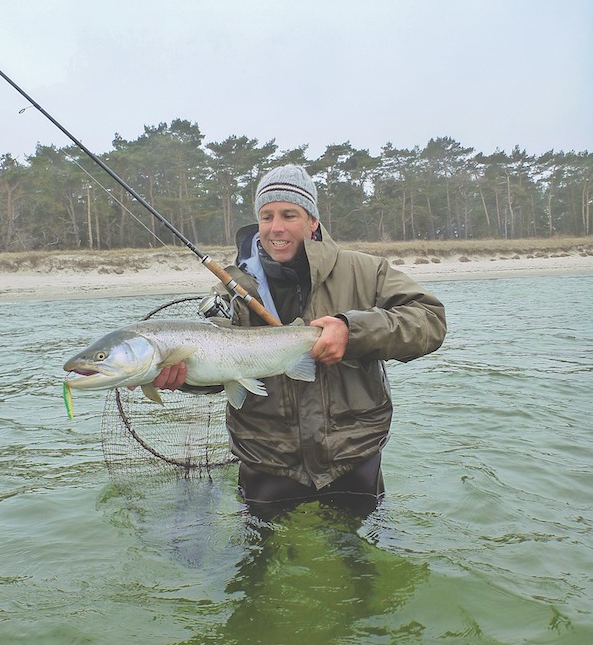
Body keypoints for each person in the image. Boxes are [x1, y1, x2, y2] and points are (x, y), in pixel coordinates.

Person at [154, 165, 446, 513]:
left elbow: (429, 320)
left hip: (351, 452)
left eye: (289, 214)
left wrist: (352, 333)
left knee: (360, 556)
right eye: (266, 216)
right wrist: (184, 378)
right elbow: (217, 374)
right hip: (266, 456)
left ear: (312, 222)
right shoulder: (231, 291)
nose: (276, 227)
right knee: (263, 557)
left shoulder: (367, 271)